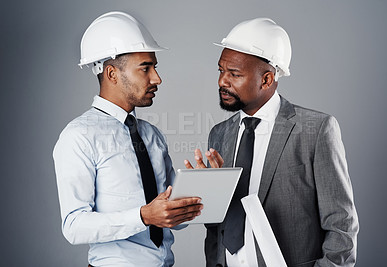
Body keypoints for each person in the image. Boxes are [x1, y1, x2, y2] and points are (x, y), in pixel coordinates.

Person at [185, 18, 359, 266]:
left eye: (234, 74)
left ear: (267, 80)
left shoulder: (316, 129)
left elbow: (341, 225)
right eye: (221, 70)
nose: (222, 81)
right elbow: (217, 225)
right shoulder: (219, 133)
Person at [53, 11, 204, 267]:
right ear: (112, 74)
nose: (157, 78)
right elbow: (74, 226)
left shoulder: (152, 135)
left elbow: (172, 220)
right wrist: (143, 216)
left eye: (155, 67)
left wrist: (197, 190)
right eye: (146, 68)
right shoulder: (78, 136)